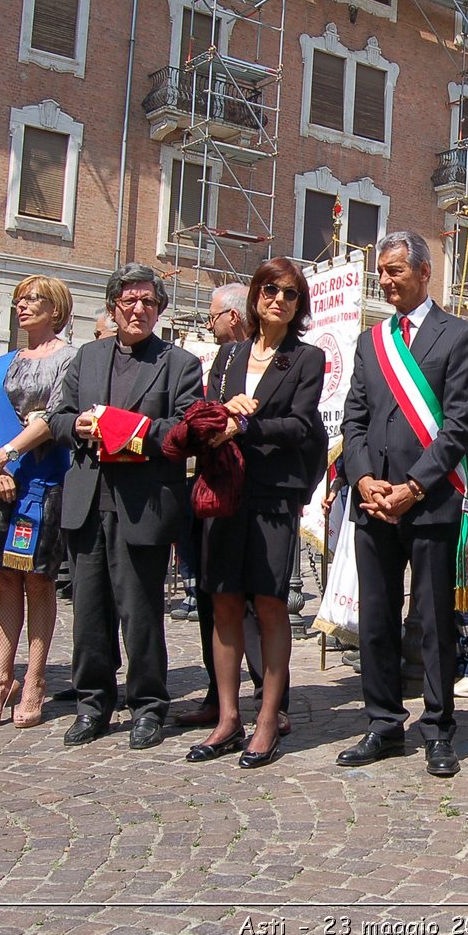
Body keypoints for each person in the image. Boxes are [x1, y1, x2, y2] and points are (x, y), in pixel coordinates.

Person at [336, 231, 468, 777]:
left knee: (431, 621)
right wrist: (363, 477)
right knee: (374, 618)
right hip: (375, 502)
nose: (386, 279)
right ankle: (382, 723)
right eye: (382, 270)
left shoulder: (460, 337)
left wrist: (414, 486)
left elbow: (460, 425)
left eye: (396, 270)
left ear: (425, 273)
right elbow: (354, 419)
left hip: (429, 503)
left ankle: (439, 728)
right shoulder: (370, 341)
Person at [48, 264, 202, 750]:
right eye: (129, 302)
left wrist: (124, 429)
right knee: (89, 611)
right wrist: (78, 428)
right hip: (89, 499)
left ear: (159, 310)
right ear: (112, 307)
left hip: (143, 503)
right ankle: (93, 702)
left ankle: (148, 705)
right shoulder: (86, 357)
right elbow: (57, 417)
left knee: (141, 612)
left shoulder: (179, 363)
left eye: (149, 303)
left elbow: (184, 430)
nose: (139, 310)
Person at [188, 260, 325, 767]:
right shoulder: (227, 356)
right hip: (226, 489)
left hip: (272, 494)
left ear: (298, 306)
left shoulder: (306, 359)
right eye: (270, 289)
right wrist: (224, 413)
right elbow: (203, 416)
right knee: (223, 600)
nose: (280, 299)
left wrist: (246, 422)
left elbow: (299, 426)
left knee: (269, 604)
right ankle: (227, 718)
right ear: (254, 295)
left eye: (291, 293)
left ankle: (268, 719)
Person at [0, 276, 76, 729]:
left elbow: (54, 417)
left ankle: (34, 679)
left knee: (37, 582)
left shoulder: (70, 358)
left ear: (57, 308)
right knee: (3, 580)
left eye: (33, 299)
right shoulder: (1, 362)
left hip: (42, 481)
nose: (23, 306)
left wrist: (7, 459)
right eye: (19, 300)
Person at [174, 282, 263, 728]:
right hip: (211, 490)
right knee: (214, 599)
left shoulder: (264, 354)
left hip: (255, 493)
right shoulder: (221, 362)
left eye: (211, 317)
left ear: (232, 315)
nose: (209, 325)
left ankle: (269, 699)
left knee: (255, 603)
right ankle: (218, 694)